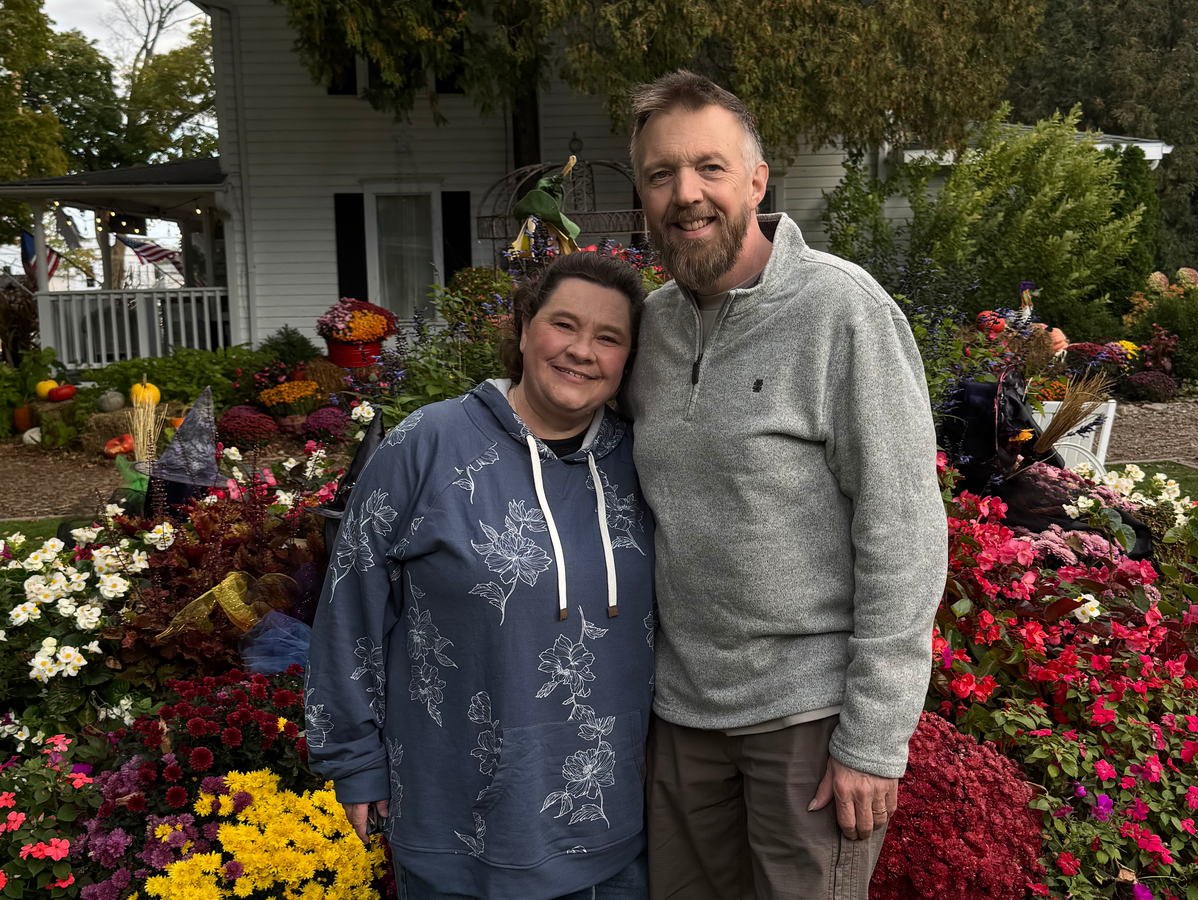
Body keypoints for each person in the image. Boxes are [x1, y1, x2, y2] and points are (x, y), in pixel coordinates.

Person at [622, 70, 948, 900]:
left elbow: (904, 533)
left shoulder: (843, 312)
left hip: (806, 725)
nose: (685, 194)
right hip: (681, 722)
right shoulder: (648, 329)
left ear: (757, 181)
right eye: (661, 174)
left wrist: (874, 739)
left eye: (710, 167)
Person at [305, 252, 656, 900]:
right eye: (564, 324)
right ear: (523, 328)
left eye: (608, 337)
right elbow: (350, 607)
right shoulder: (427, 445)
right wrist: (353, 760)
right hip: (456, 837)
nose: (582, 350)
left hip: (613, 838)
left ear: (628, 360)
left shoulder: (643, 462)